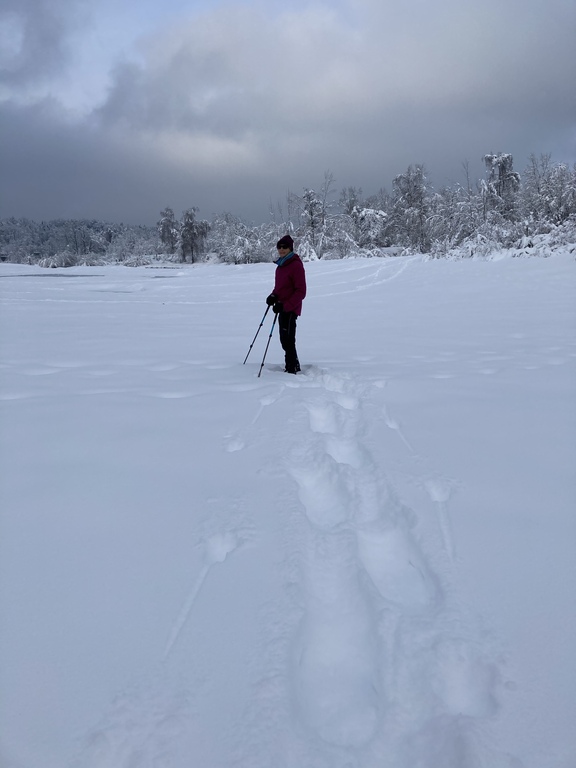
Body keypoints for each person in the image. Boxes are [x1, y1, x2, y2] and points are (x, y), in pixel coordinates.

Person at [266, 235, 306, 374]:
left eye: (285, 247)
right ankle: (293, 365)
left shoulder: (295, 265)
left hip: (291, 308)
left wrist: (286, 306)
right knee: (284, 339)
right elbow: (280, 288)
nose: (281, 250)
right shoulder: (281, 265)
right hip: (281, 306)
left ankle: (292, 368)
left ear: (290, 248)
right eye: (279, 247)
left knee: (288, 339)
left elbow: (301, 291)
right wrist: (273, 296)